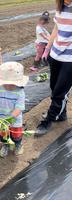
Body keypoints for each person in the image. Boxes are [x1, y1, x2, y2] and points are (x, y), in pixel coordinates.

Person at [36, 0, 72, 136]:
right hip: (55, 54)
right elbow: (57, 28)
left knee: (59, 93)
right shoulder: (61, 6)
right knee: (54, 86)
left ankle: (48, 120)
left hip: (70, 59)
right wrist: (47, 49)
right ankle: (61, 114)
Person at [0, 62, 29, 157]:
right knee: (4, 134)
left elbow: (19, 108)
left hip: (15, 119)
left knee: (16, 134)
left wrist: (10, 119)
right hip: (1, 119)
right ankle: (5, 145)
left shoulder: (20, 92)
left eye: (12, 84)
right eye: (6, 84)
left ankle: (18, 144)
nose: (9, 86)